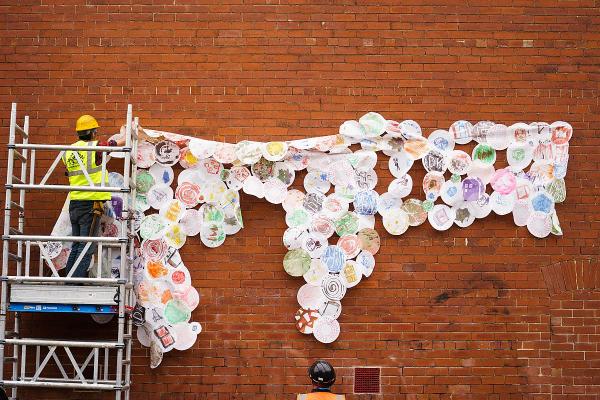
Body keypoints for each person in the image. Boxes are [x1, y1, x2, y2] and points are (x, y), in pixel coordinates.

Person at [61, 115, 126, 278]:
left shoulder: (68, 151)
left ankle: (70, 280)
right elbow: (117, 143)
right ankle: (75, 285)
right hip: (90, 204)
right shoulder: (95, 147)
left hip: (75, 203)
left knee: (77, 245)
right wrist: (128, 132)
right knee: (86, 247)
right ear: (92, 132)